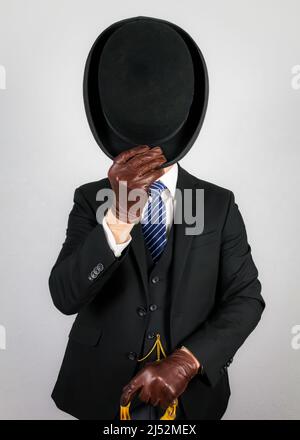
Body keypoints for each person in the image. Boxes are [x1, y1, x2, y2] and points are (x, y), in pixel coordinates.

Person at [49, 16, 265, 420]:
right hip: (100, 395)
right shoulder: (89, 199)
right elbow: (64, 296)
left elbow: (247, 298)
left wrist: (188, 361)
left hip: (190, 401)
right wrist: (117, 217)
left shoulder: (217, 205)